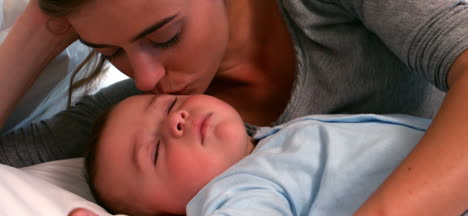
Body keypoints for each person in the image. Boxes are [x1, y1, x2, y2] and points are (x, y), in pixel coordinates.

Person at [0, 0, 467, 214]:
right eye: (110, 52)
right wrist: (39, 28)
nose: (145, 78)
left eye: (165, 36)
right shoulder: (138, 119)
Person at [78, 93, 430, 216]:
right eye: (153, 151)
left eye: (170, 103)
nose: (176, 119)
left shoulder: (271, 140)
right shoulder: (237, 192)